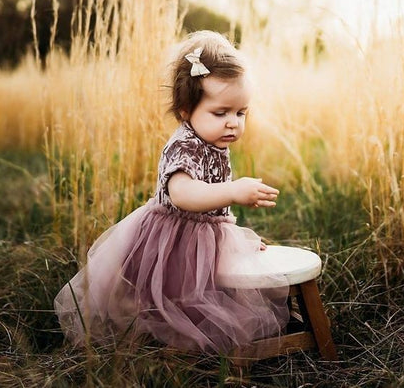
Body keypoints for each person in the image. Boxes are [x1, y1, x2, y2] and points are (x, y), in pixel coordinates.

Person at [54, 30, 289, 353]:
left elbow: (214, 210)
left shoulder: (214, 143)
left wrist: (237, 243)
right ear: (184, 111)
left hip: (203, 236)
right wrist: (233, 190)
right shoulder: (183, 146)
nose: (232, 123)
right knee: (174, 300)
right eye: (220, 113)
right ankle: (168, 347)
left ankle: (188, 343)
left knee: (204, 293)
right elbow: (184, 194)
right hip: (173, 240)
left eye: (240, 112)